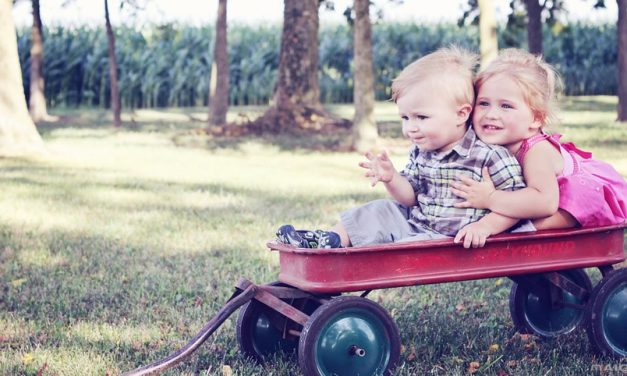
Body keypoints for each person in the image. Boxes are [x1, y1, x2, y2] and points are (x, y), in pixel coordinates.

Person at [276, 46, 528, 250]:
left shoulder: (489, 156)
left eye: (421, 117)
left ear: (461, 114)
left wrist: (485, 226)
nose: (411, 128)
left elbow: (517, 205)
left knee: (401, 250)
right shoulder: (422, 150)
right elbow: (410, 197)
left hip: (448, 239)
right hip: (416, 223)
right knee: (380, 209)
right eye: (405, 118)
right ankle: (330, 240)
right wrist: (392, 178)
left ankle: (353, 257)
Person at [451, 48, 627, 229]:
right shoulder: (491, 142)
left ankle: (523, 232)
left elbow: (545, 202)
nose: (491, 114)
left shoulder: (537, 152)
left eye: (506, 106)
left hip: (580, 198)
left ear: (536, 119)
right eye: (484, 103)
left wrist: (490, 198)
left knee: (530, 220)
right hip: (543, 196)